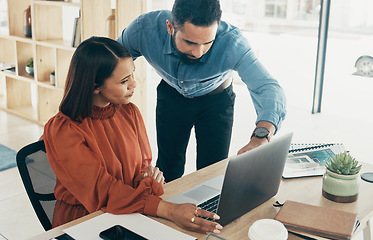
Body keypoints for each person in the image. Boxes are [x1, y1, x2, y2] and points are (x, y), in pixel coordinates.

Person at [43, 37, 223, 234]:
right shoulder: (64, 130)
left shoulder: (129, 112)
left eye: (132, 75)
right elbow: (103, 193)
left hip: (131, 209)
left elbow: (142, 168)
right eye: (123, 81)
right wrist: (168, 209)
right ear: (95, 86)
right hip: (87, 222)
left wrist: (149, 175)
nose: (134, 84)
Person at [117, 0, 287, 182]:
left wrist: (261, 136)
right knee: (168, 168)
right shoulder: (144, 29)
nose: (198, 52)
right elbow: (110, 61)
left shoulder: (232, 42)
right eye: (189, 42)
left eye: (207, 43)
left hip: (216, 101)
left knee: (212, 172)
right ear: (170, 27)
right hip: (172, 96)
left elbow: (267, 86)